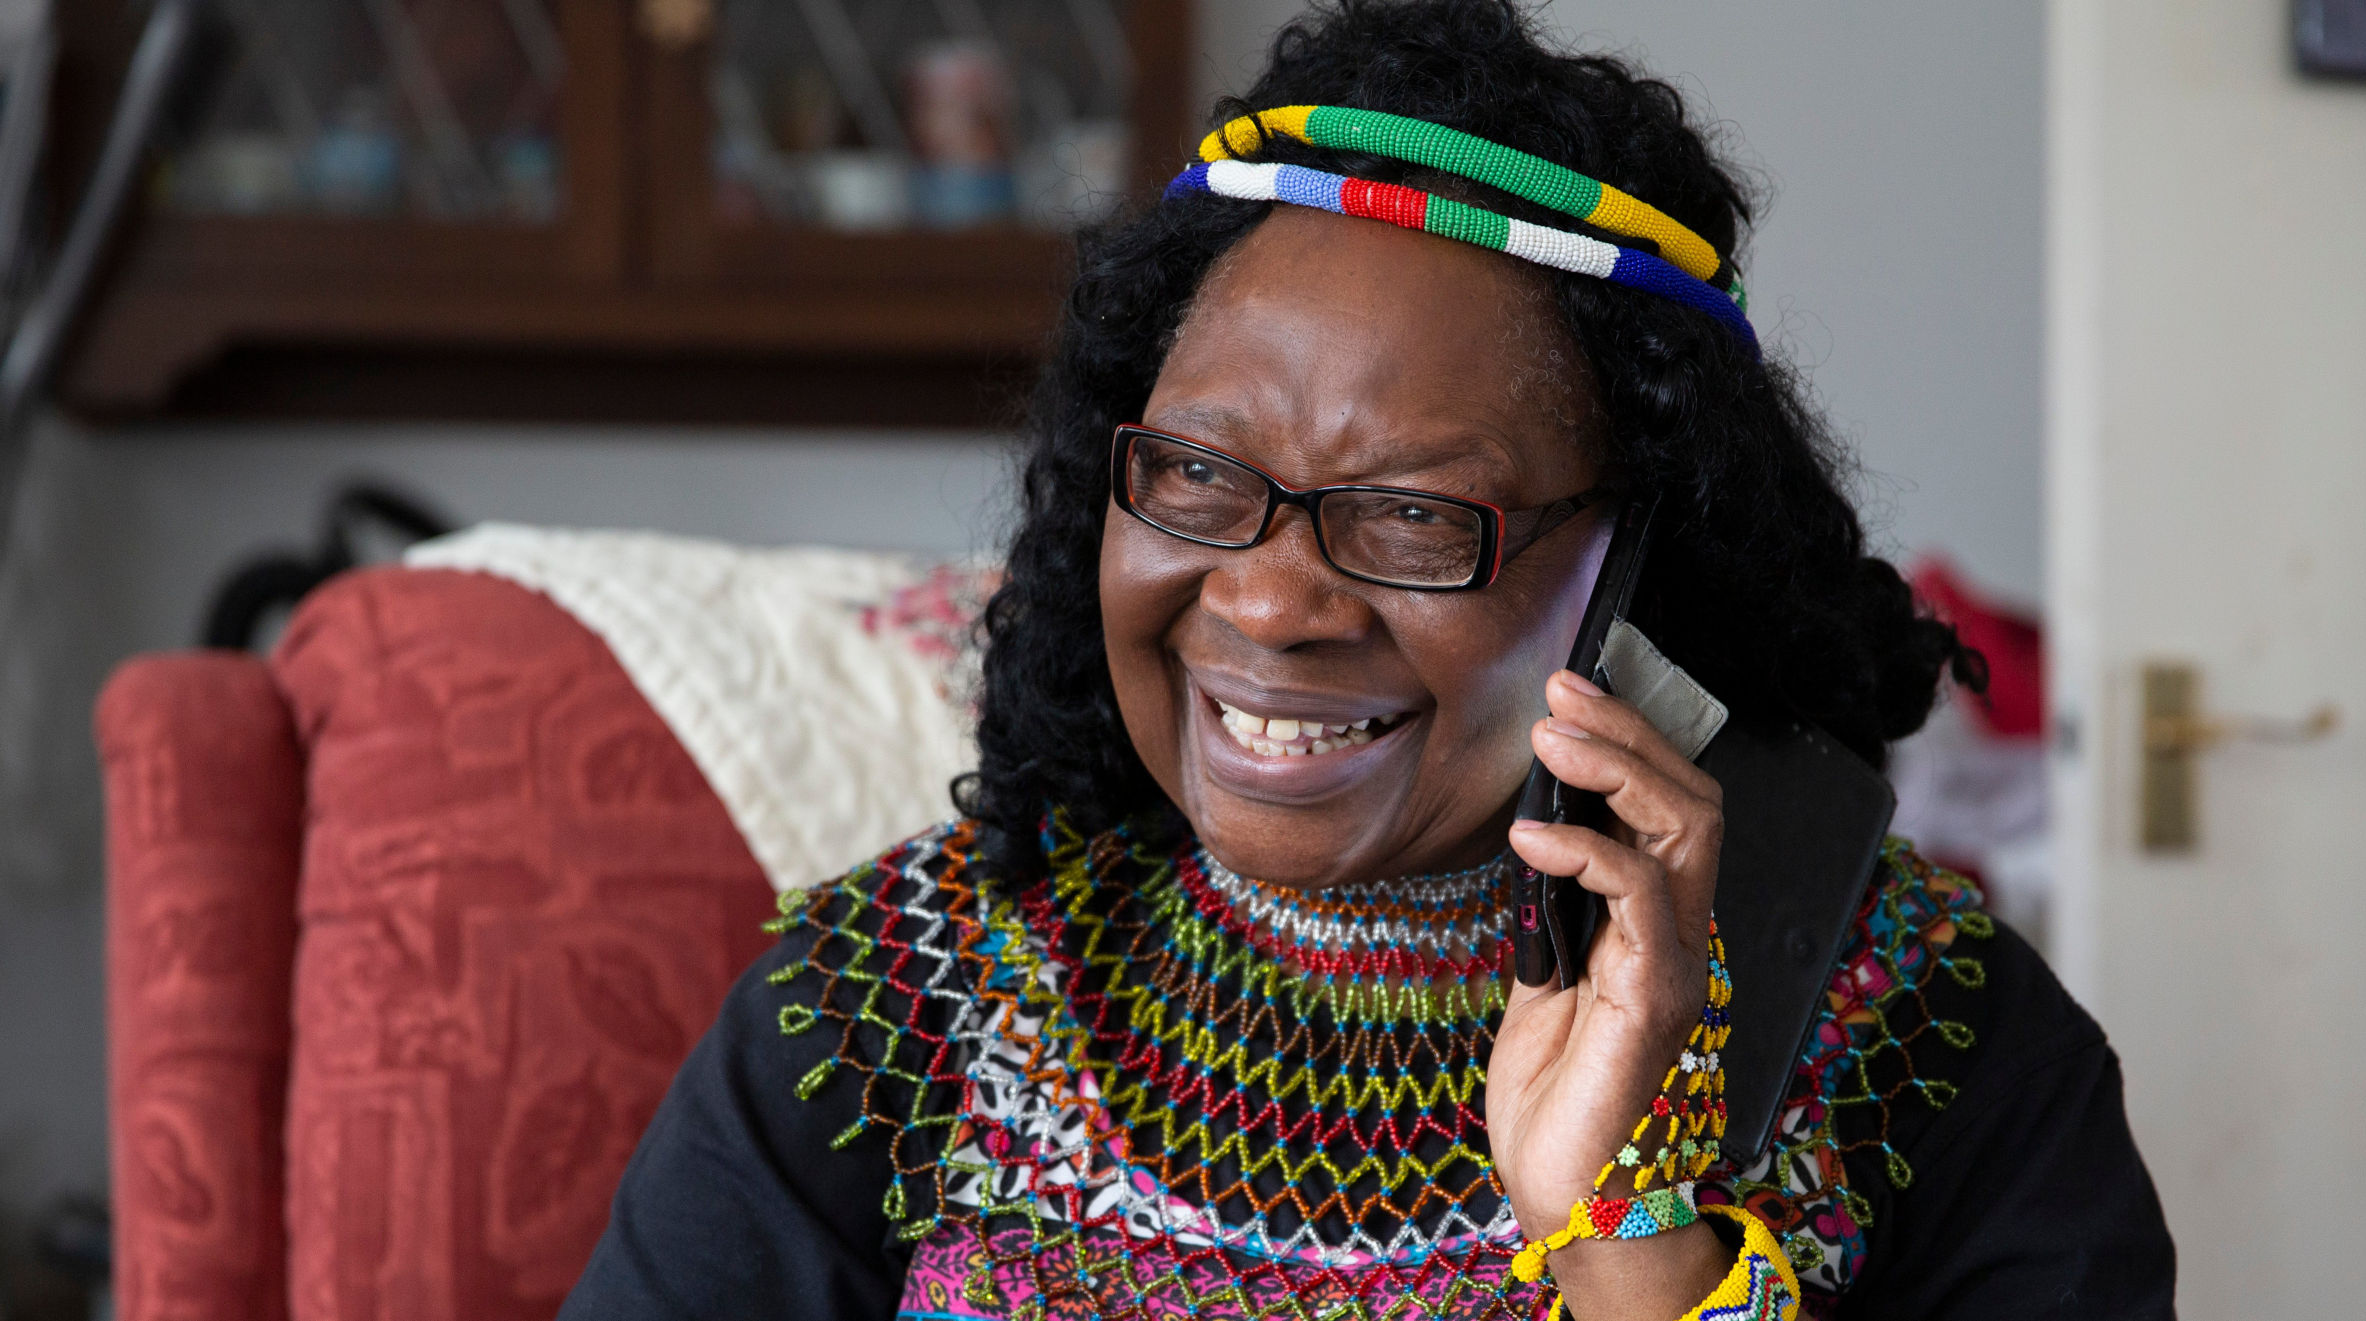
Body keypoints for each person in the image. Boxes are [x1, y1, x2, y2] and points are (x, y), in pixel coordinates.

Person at [559, 2, 2175, 1317]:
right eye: (1197, 473)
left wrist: (1632, 1233)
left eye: (1414, 515)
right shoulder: (891, 1003)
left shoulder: (1932, 1043)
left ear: (1638, 569)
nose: (1267, 601)